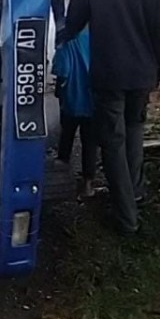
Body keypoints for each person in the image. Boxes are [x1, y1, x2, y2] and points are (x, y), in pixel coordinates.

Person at [57, 0, 160, 235]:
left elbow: (75, 21)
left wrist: (55, 41)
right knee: (135, 131)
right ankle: (134, 194)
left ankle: (126, 216)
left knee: (112, 141)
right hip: (143, 72)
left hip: (107, 71)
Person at [53, 28, 98, 199]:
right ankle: (87, 183)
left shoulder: (67, 40)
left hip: (72, 98)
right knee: (90, 142)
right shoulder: (99, 36)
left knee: (67, 132)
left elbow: (62, 71)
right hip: (94, 99)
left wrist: (59, 91)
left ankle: (62, 163)